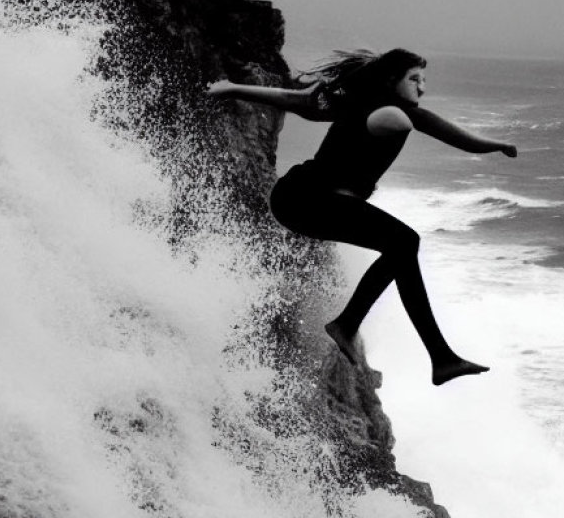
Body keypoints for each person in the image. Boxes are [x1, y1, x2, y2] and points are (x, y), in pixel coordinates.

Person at [207, 49, 518, 386]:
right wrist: (232, 88)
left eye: (424, 80)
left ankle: (435, 356)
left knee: (402, 248)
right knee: (405, 242)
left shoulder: (375, 108)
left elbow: (457, 137)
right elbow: (293, 99)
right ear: (391, 81)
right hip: (305, 198)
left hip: (306, 203)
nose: (422, 87)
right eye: (414, 79)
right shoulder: (384, 113)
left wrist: (495, 144)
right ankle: (367, 331)